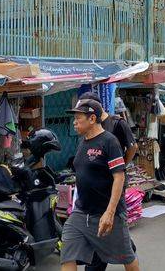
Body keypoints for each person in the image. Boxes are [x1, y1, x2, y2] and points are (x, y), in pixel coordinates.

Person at [61, 98, 140, 271]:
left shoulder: (109, 141)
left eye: (78, 118)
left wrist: (110, 213)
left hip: (107, 213)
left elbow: (119, 177)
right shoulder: (82, 142)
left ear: (92, 119)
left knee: (126, 256)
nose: (74, 122)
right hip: (82, 213)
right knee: (68, 253)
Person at [81, 92, 138, 165]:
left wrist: (122, 165)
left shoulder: (118, 123)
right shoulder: (90, 124)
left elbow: (132, 147)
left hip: (112, 173)